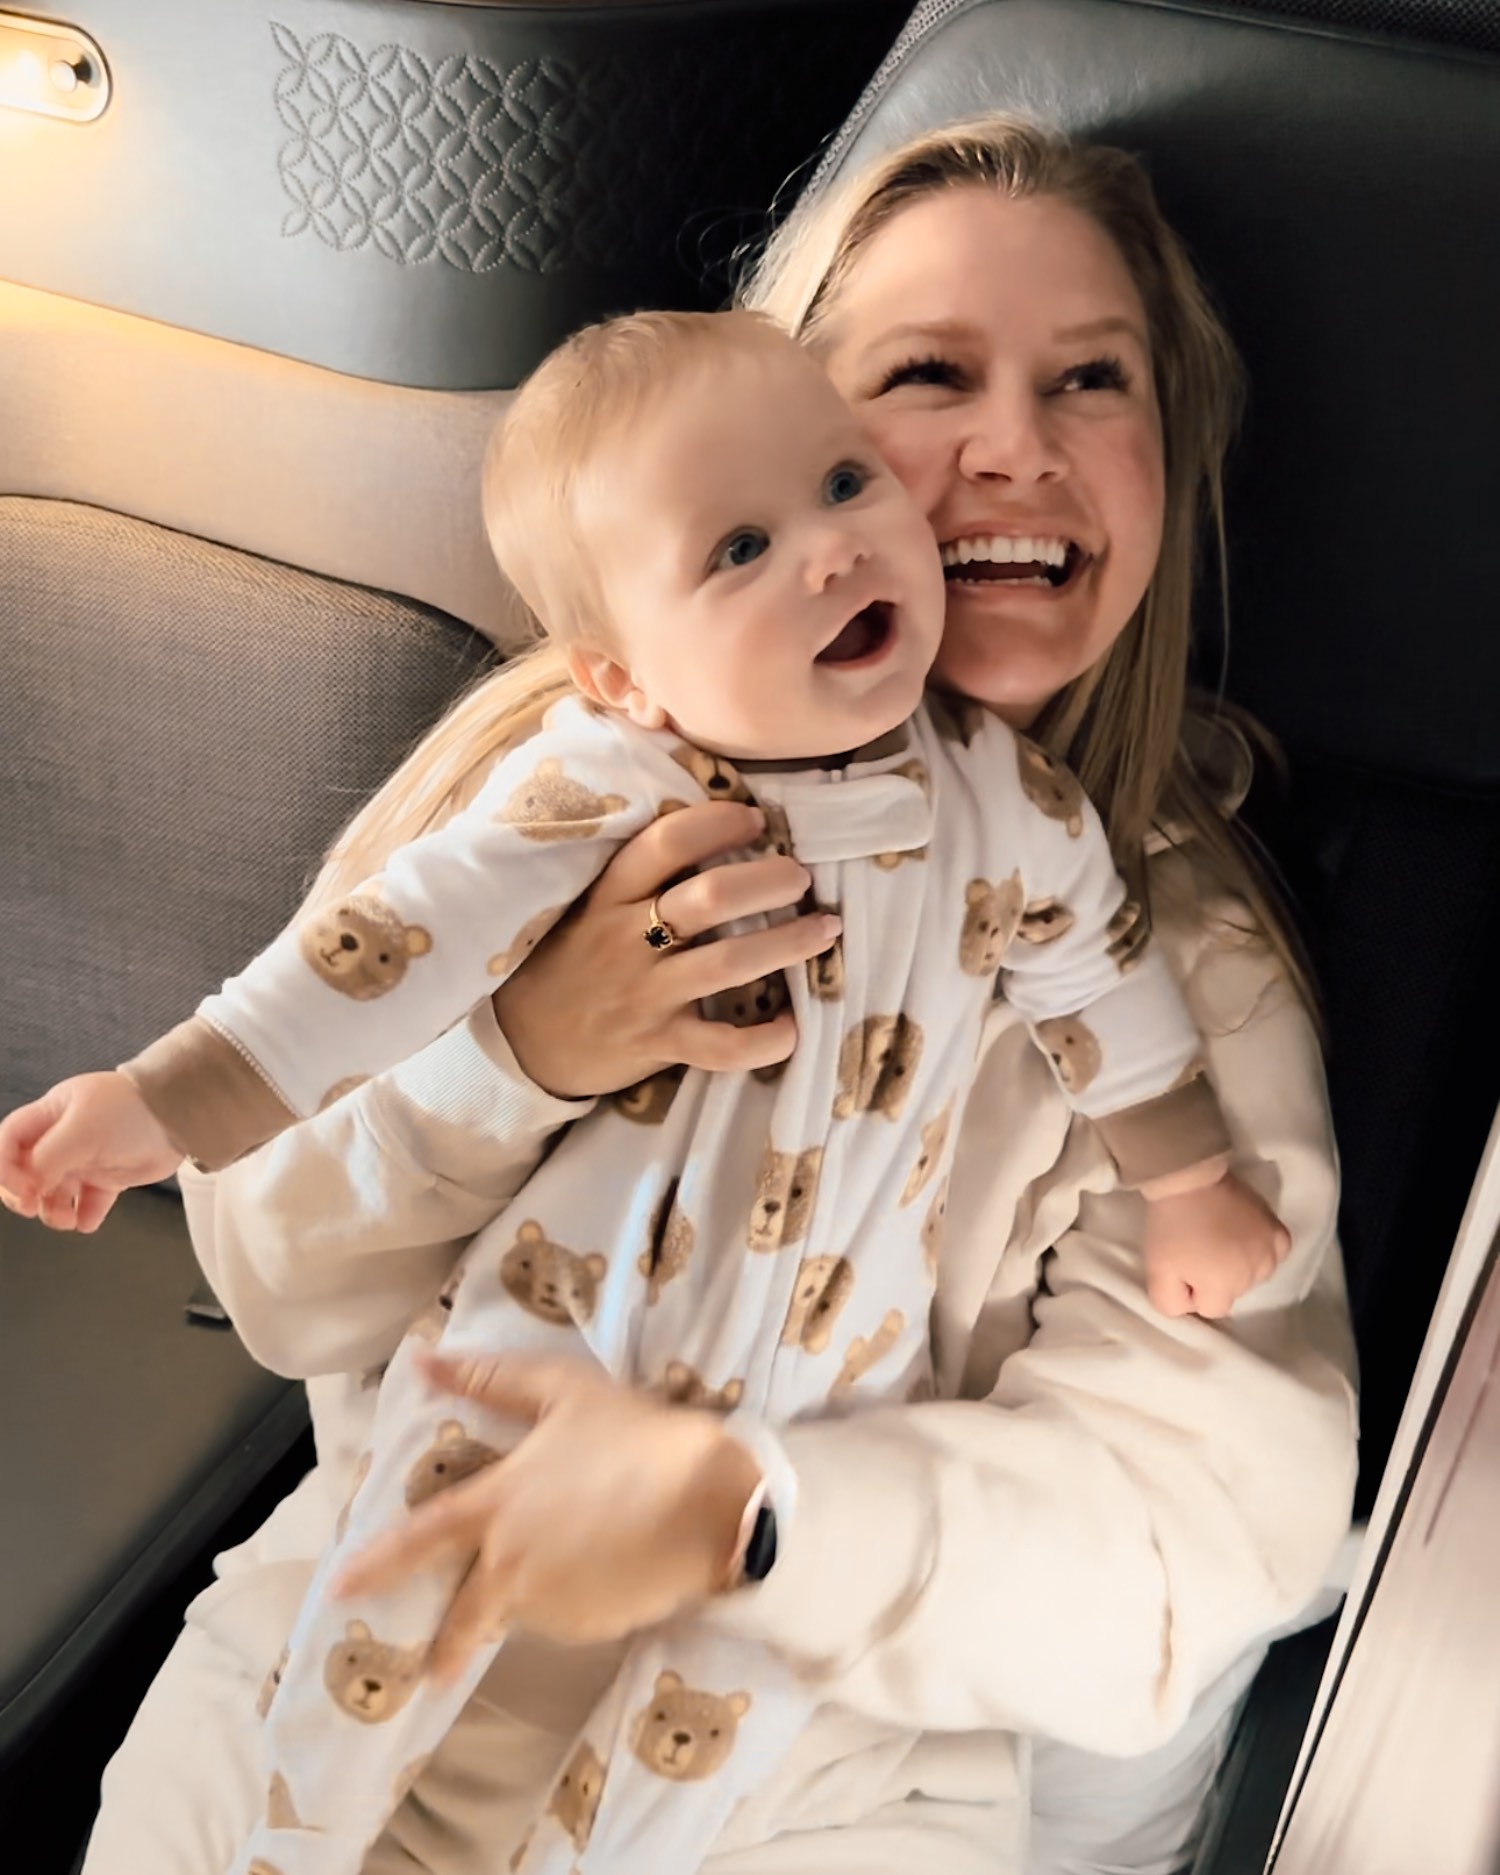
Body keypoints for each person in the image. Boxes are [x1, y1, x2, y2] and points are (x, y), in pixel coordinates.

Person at [73, 116, 1358, 1875]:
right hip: (377, 1606)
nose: (1008, 447)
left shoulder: (1177, 962)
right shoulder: (551, 792)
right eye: (924, 379)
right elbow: (276, 1283)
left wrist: (744, 1516)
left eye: (1090, 383)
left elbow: (1213, 1531)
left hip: (854, 1765)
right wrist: (519, 1059)